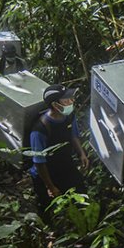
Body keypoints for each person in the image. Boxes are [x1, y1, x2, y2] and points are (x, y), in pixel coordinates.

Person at [29, 84, 89, 217]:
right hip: (45, 172)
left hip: (65, 164)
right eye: (66, 100)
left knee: (81, 194)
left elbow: (73, 135)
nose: (71, 101)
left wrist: (81, 154)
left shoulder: (69, 116)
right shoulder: (39, 130)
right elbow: (39, 162)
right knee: (49, 207)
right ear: (55, 105)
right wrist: (50, 187)